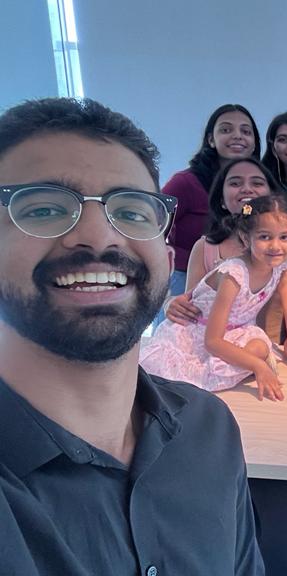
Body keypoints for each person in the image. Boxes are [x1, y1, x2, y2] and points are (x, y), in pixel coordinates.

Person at [0, 97, 264, 574]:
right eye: (44, 209)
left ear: (166, 252)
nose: (100, 237)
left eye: (132, 211)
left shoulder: (209, 429)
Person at [142, 195, 287, 399]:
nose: (276, 246)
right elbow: (212, 341)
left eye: (284, 237)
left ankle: (232, 369)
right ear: (245, 237)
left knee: (260, 347)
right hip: (197, 336)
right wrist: (258, 366)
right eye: (264, 237)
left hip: (237, 331)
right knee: (253, 359)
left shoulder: (282, 263)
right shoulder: (234, 275)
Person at [162, 104, 261, 315]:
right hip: (185, 280)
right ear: (211, 139)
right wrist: (166, 297)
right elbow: (151, 225)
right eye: (226, 130)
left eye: (246, 131)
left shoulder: (260, 186)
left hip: (244, 282)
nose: (237, 136)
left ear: (254, 143)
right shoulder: (185, 182)